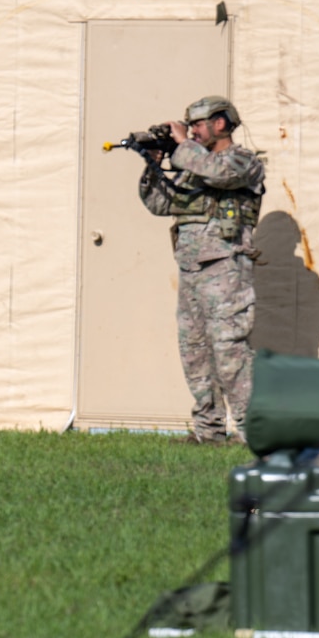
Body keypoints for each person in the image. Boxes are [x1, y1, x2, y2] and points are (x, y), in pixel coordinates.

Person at [140, 95, 264, 444]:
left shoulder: (242, 162)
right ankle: (208, 431)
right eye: (189, 126)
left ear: (219, 124)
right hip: (192, 271)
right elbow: (160, 204)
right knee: (195, 351)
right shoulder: (193, 166)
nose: (191, 131)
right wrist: (154, 163)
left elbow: (220, 173)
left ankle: (254, 432)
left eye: (196, 125)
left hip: (226, 269)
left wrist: (182, 146)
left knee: (230, 350)